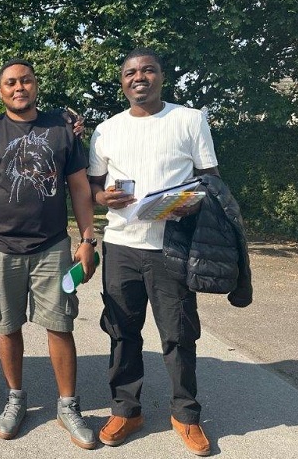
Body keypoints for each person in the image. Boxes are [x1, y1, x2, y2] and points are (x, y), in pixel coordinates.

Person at [0, 59, 98, 449]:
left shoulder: (61, 129)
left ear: (36, 85)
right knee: (7, 326)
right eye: (10, 82)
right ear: (0, 90)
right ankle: (15, 399)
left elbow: (80, 190)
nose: (19, 87)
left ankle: (68, 406)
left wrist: (87, 240)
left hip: (52, 245)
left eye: (26, 80)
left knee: (60, 325)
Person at [87, 48, 220, 457]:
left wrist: (187, 202)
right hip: (121, 246)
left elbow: (209, 181)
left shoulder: (189, 119)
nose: (138, 77)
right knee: (122, 332)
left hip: (172, 246)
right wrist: (102, 198)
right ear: (122, 81)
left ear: (162, 76)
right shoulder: (106, 129)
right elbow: (91, 188)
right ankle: (126, 410)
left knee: (179, 334)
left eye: (147, 70)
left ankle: (186, 414)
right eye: (130, 72)